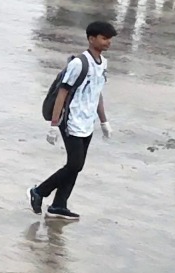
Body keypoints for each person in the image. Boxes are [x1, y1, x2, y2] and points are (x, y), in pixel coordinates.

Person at [29, 20, 115, 220]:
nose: (108, 42)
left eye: (109, 39)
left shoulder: (103, 64)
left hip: (88, 122)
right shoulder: (79, 64)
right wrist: (54, 125)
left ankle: (59, 205)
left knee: (76, 165)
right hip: (71, 121)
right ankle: (39, 191)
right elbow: (62, 93)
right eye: (104, 38)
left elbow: (97, 93)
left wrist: (104, 121)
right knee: (75, 164)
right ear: (91, 39)